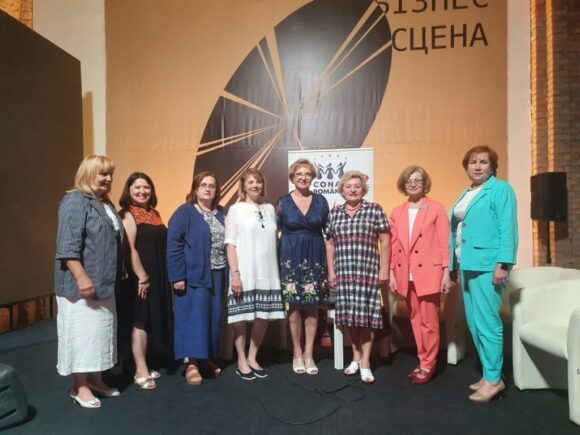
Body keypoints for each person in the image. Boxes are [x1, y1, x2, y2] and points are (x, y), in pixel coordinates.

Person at [449, 145, 518, 402]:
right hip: (467, 265)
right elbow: (456, 232)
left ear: (492, 166)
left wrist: (503, 265)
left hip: (488, 266)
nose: (477, 166)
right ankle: (490, 373)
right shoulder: (466, 193)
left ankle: (493, 380)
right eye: (473, 162)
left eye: (483, 162)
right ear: (466, 167)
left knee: (488, 324)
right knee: (474, 324)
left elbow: (507, 229)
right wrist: (453, 266)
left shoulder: (500, 189)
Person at [55, 155, 122, 409]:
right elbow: (67, 247)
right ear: (88, 173)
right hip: (79, 287)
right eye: (103, 173)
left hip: (104, 284)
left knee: (99, 333)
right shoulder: (75, 200)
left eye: (110, 174)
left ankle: (95, 380)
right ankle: (79, 386)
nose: (108, 179)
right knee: (81, 334)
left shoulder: (106, 204)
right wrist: (82, 277)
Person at [325, 170, 390, 384]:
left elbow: (385, 241)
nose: (352, 190)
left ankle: (365, 363)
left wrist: (384, 269)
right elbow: (330, 244)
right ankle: (355, 357)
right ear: (341, 190)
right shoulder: (334, 214)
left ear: (363, 189)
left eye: (357, 186)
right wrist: (331, 271)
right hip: (343, 273)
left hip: (367, 272)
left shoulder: (374, 210)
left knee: (366, 318)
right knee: (350, 318)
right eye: (348, 186)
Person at [389, 166, 451, 384]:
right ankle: (423, 360)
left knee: (429, 322)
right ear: (403, 185)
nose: (413, 184)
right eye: (409, 181)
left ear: (425, 184)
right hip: (405, 274)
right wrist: (391, 272)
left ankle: (428, 364)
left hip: (429, 273)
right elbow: (394, 245)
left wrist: (446, 272)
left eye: (417, 180)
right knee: (416, 320)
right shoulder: (397, 212)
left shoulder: (436, 208)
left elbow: (444, 243)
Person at [225, 168, 285, 380]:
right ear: (243, 186)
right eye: (250, 182)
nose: (255, 185)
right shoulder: (235, 209)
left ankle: (252, 357)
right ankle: (241, 359)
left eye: (258, 182)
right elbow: (230, 245)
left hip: (268, 271)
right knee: (240, 318)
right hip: (244, 272)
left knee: (263, 317)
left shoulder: (270, 209)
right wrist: (235, 274)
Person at [167, 171, 226, 385]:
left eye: (212, 185)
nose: (208, 189)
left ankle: (205, 359)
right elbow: (174, 244)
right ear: (195, 189)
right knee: (193, 319)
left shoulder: (222, 213)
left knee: (212, 318)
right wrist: (177, 276)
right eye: (203, 185)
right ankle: (192, 364)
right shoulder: (186, 212)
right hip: (193, 275)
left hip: (218, 274)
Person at [119, 173, 173, 390]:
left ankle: (146, 363)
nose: (142, 191)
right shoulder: (127, 214)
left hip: (157, 274)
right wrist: (142, 277)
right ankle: (139, 369)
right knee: (139, 320)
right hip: (139, 277)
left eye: (146, 187)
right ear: (129, 190)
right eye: (137, 187)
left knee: (149, 319)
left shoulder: (154, 213)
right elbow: (129, 249)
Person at [277, 159, 330, 375]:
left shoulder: (321, 201)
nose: (303, 177)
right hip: (290, 256)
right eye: (299, 173)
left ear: (313, 177)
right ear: (292, 177)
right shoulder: (283, 202)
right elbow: (275, 230)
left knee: (312, 306)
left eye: (307, 174)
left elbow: (329, 233)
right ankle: (296, 353)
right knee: (294, 306)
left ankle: (309, 354)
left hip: (314, 254)